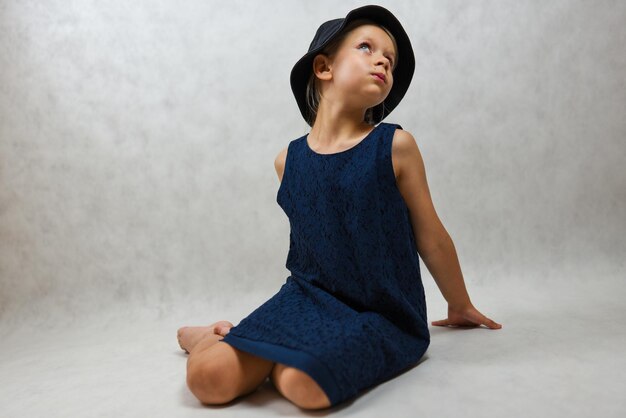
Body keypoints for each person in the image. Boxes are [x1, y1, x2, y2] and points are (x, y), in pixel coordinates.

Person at [177, 4, 502, 411]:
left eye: (391, 59)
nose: (383, 59)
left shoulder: (394, 147)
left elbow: (430, 235)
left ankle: (274, 354)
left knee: (304, 385)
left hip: (381, 314)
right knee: (208, 381)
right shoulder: (288, 161)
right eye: (367, 47)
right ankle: (210, 335)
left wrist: (459, 303)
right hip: (304, 299)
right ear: (324, 68)